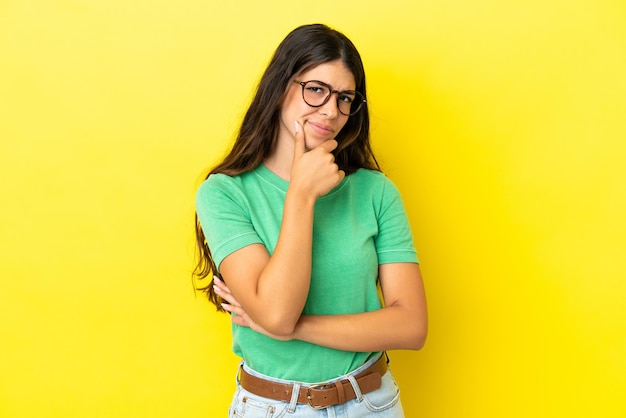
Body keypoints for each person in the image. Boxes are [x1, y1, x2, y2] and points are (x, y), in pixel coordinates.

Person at [194, 23, 427, 417]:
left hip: (372, 404)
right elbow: (278, 311)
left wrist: (294, 329)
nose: (331, 110)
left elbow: (411, 325)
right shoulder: (223, 194)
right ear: (281, 85)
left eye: (345, 98)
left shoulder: (375, 191)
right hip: (273, 407)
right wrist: (301, 194)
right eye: (316, 89)